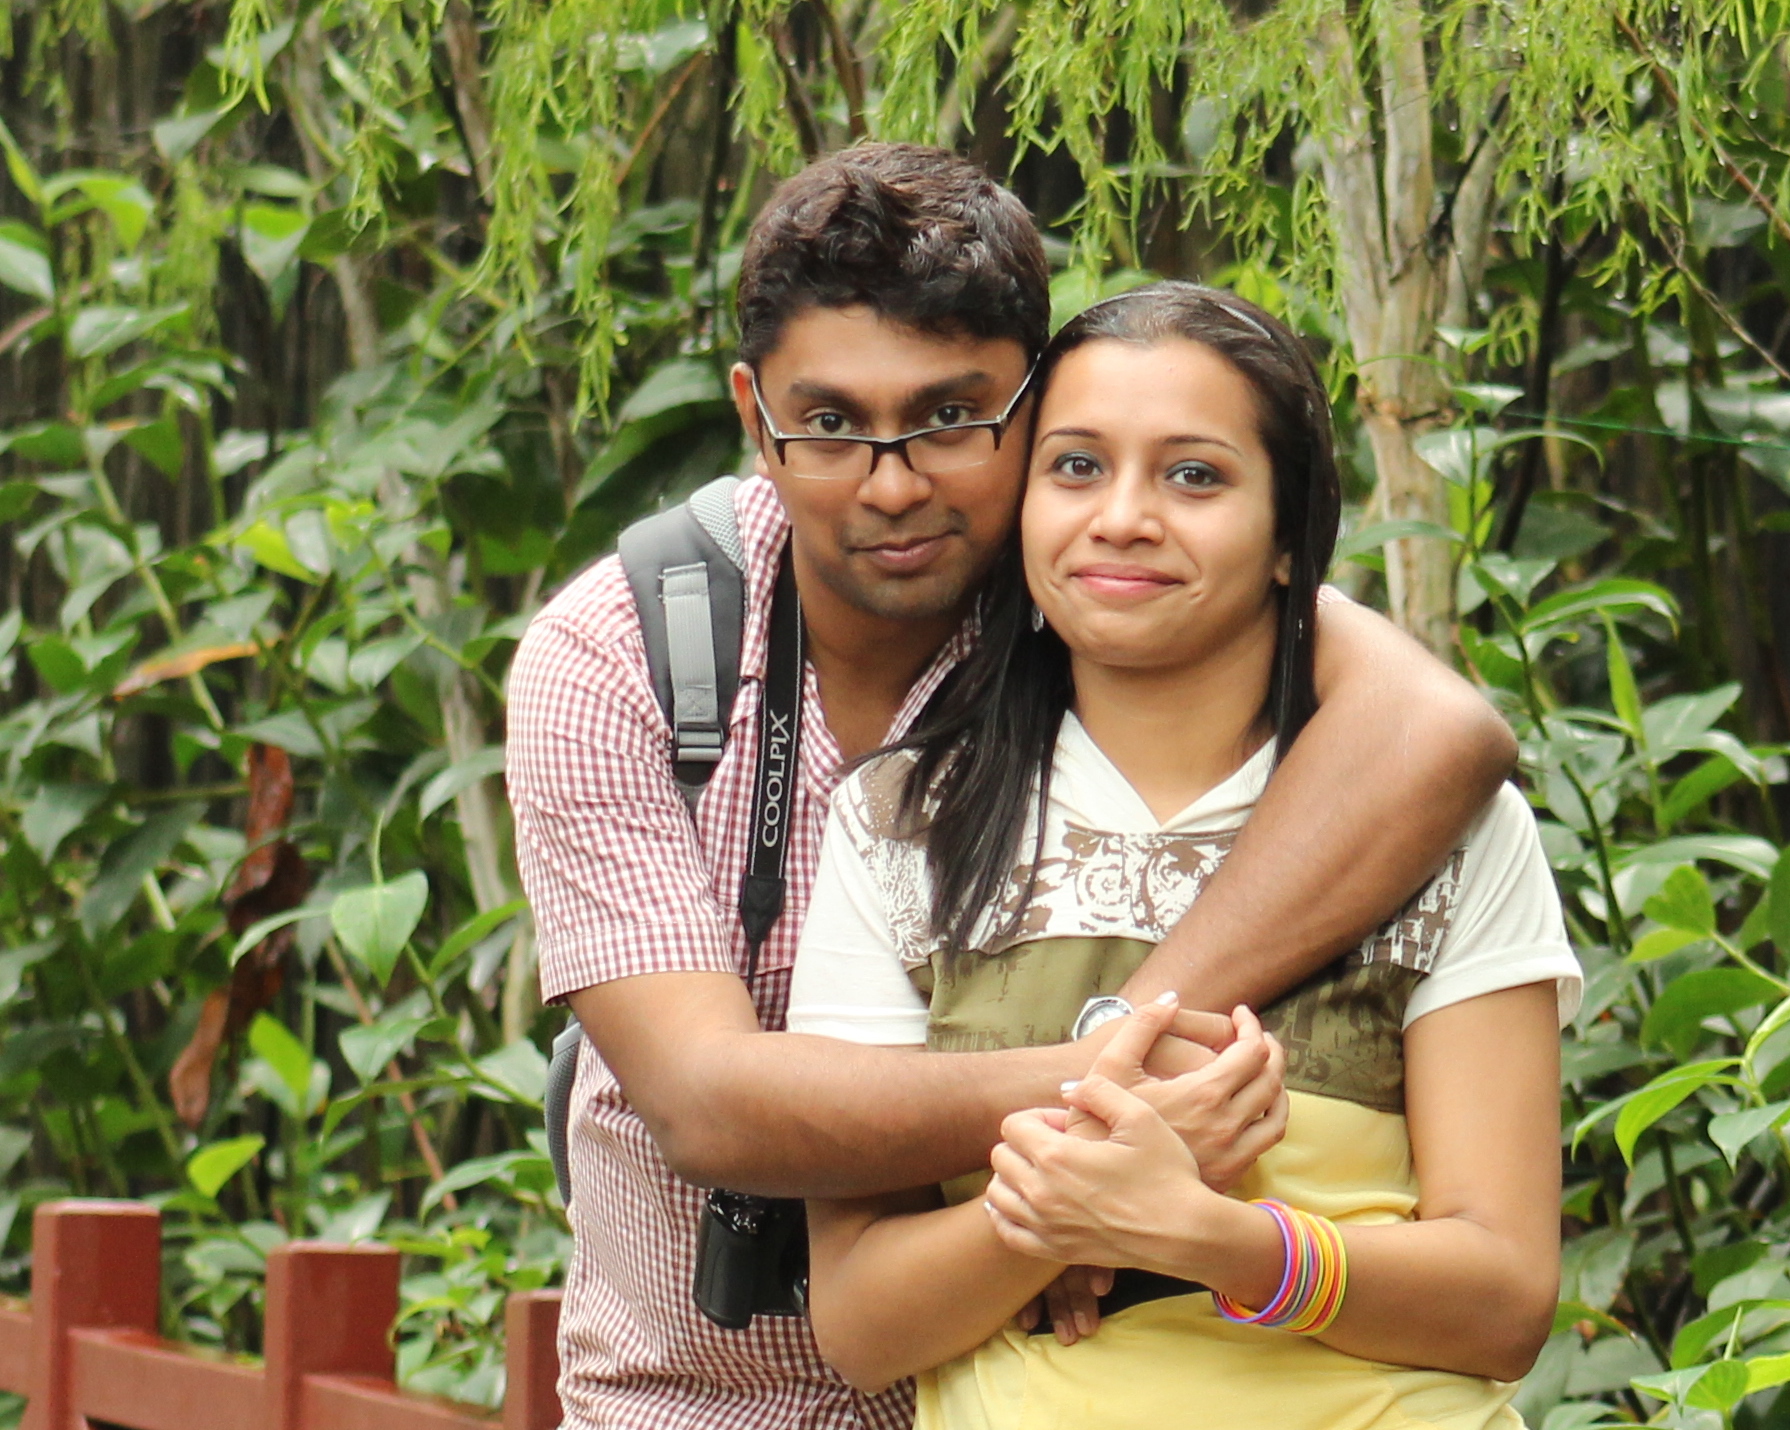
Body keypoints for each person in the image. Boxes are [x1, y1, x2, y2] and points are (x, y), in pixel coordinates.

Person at [506, 146, 1519, 1430]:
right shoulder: (623, 655)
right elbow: (708, 1103)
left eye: (949, 416)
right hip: (697, 1402)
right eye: (830, 424)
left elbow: (1435, 728)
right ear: (755, 415)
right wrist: (1107, 1102)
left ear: (1035, 404)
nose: (892, 483)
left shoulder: (1100, 582)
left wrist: (1109, 1110)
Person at [791, 283, 1582, 1430]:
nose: (1122, 516)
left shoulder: (1446, 828)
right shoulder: (906, 823)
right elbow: (864, 1326)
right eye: (1075, 466)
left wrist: (1214, 1237)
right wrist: (1060, 1213)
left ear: (1288, 537)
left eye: (1195, 475)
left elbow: (1502, 1299)